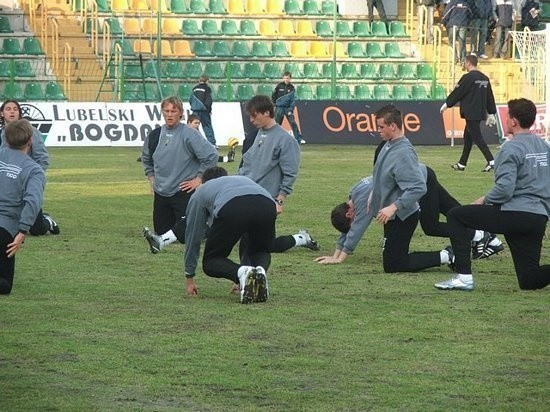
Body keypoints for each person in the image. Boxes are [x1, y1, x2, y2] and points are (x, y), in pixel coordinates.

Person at [435, 98, 550, 291]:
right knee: (529, 280)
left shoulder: (510, 148)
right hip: (538, 219)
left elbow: (505, 190)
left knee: (456, 215)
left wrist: (484, 199)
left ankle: (464, 277)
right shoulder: (544, 147)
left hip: (515, 214)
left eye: (508, 117)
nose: (505, 121)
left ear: (513, 121)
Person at [316, 166, 503, 265]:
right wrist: (335, 252)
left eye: (351, 219)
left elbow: (357, 229)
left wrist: (340, 258)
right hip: (422, 173)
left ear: (349, 212)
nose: (355, 220)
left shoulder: (362, 199)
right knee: (456, 213)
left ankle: (480, 235)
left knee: (431, 227)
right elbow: (349, 228)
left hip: (419, 182)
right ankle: (490, 238)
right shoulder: (353, 193)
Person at [368, 105, 456, 273]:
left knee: (394, 264)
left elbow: (418, 187)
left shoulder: (403, 153)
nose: (377, 130)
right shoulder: (387, 144)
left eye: (381, 127)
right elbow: (382, 173)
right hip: (391, 214)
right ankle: (449, 254)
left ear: (393, 126)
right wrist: (374, 193)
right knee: (392, 260)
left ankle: (447, 256)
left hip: (403, 215)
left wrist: (393, 207)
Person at [239, 94, 319, 256]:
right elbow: (247, 164)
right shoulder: (256, 135)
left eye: (254, 115)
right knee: (250, 240)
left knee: (259, 244)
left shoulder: (285, 140)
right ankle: (243, 275)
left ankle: (300, 238)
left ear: (267, 112)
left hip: (266, 199)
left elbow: (290, 173)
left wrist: (279, 199)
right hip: (247, 195)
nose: (251, 120)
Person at [184, 167, 274, 304]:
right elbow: (245, 230)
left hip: (233, 206)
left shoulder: (200, 192)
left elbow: (193, 237)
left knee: (211, 261)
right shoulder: (240, 180)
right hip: (267, 203)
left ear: (203, 182)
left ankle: (243, 273)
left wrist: (189, 277)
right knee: (260, 249)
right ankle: (258, 271)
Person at [141, 96, 218, 253]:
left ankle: (210, 224)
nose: (169, 114)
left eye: (173, 111)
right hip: (161, 193)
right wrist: (151, 178)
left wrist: (199, 179)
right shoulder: (154, 135)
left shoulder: (190, 134)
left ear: (181, 114)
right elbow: (146, 159)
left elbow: (212, 156)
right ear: (162, 112)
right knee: (162, 232)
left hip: (183, 191)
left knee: (186, 236)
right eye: (166, 111)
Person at [0, 100, 59, 236]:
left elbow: (42, 158)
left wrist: (32, 178)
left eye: (15, 109)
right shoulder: (2, 133)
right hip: (7, 183)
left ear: (20, 113)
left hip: (24, 181)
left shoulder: (32, 132)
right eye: (8, 109)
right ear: (2, 113)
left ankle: (47, 221)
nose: (12, 111)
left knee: (36, 230)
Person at [0, 119, 45, 295]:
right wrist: (22, 231)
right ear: (31, 141)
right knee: (4, 284)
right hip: (5, 230)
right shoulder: (34, 170)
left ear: (6, 139)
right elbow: (33, 201)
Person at [440, 54, 497, 172]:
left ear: (468, 63)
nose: (464, 65)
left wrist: (447, 103)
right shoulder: (484, 78)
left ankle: (491, 161)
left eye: (465, 63)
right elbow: (489, 96)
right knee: (468, 137)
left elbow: (458, 92)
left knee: (477, 137)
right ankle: (462, 163)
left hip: (470, 112)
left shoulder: (467, 78)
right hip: (479, 112)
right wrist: (491, 112)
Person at [271, 72, 305, 145]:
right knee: (277, 124)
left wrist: (291, 109)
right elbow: (274, 95)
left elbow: (293, 100)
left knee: (293, 123)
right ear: (283, 78)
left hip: (288, 108)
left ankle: (299, 139)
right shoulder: (279, 86)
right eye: (285, 78)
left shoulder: (292, 88)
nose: (286, 79)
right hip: (279, 108)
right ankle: (274, 139)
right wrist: (274, 104)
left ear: (290, 79)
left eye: (288, 78)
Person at [441, 0, 471, 65]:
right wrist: (467, 24)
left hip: (452, 25)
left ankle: (455, 59)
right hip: (463, 25)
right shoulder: (466, 4)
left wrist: (443, 23)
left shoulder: (452, 3)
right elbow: (470, 15)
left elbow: (446, 14)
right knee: (462, 42)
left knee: (452, 42)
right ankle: (463, 60)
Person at [189, 74, 216, 147]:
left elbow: (191, 99)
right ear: (207, 81)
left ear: (199, 80)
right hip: (204, 111)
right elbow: (208, 101)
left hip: (195, 110)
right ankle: (212, 143)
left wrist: (193, 106)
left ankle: (194, 143)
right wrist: (209, 110)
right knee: (207, 126)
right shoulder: (207, 88)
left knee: (194, 127)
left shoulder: (194, 88)